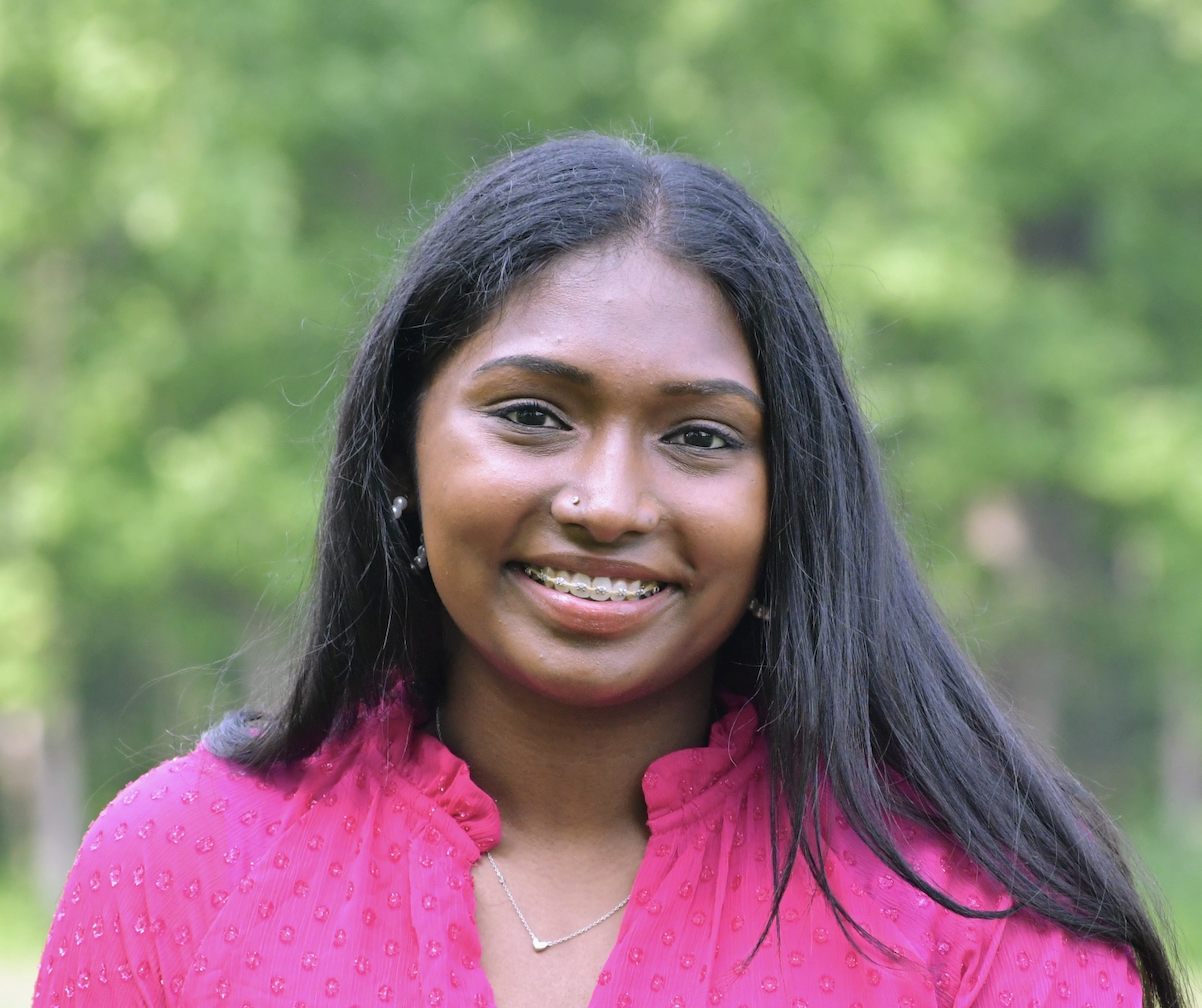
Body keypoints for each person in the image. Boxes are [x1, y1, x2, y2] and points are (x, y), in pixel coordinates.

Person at [34, 134, 1182, 1008]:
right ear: (399, 447)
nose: (609, 504)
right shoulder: (182, 867)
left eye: (699, 437)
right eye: (533, 415)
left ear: (790, 495)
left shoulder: (977, 915)